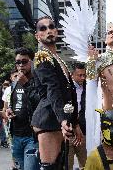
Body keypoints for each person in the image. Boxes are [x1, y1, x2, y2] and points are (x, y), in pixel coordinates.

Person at [32, 16, 79, 169]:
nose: (48, 31)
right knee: (51, 167)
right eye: (43, 28)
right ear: (37, 35)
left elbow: (69, 93)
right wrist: (63, 120)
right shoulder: (42, 56)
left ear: (56, 31)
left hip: (58, 119)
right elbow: (52, 89)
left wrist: (73, 121)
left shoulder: (57, 58)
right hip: (48, 119)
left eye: (51, 27)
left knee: (60, 165)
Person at [4, 47, 40, 170]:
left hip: (32, 136)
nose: (20, 65)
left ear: (32, 61)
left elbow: (40, 103)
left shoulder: (38, 81)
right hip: (16, 136)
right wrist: (9, 111)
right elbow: (14, 104)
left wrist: (26, 84)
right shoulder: (15, 82)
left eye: (24, 61)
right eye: (18, 62)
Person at [68, 63, 87, 170]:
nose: (83, 78)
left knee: (86, 164)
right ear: (72, 75)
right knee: (68, 164)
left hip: (83, 132)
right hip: (69, 132)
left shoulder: (88, 88)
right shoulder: (66, 88)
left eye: (84, 75)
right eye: (80, 75)